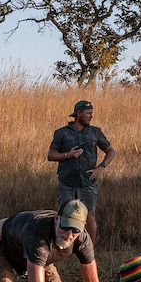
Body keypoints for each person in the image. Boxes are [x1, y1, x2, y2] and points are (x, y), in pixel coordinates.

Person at [47, 99, 116, 243]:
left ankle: (89, 249)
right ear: (78, 114)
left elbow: (111, 151)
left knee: (90, 216)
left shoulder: (95, 132)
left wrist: (101, 167)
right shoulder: (62, 133)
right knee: (65, 215)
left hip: (88, 182)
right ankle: (64, 246)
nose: (91, 116)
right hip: (67, 181)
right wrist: (68, 155)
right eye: (88, 113)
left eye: (92, 113)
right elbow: (51, 155)